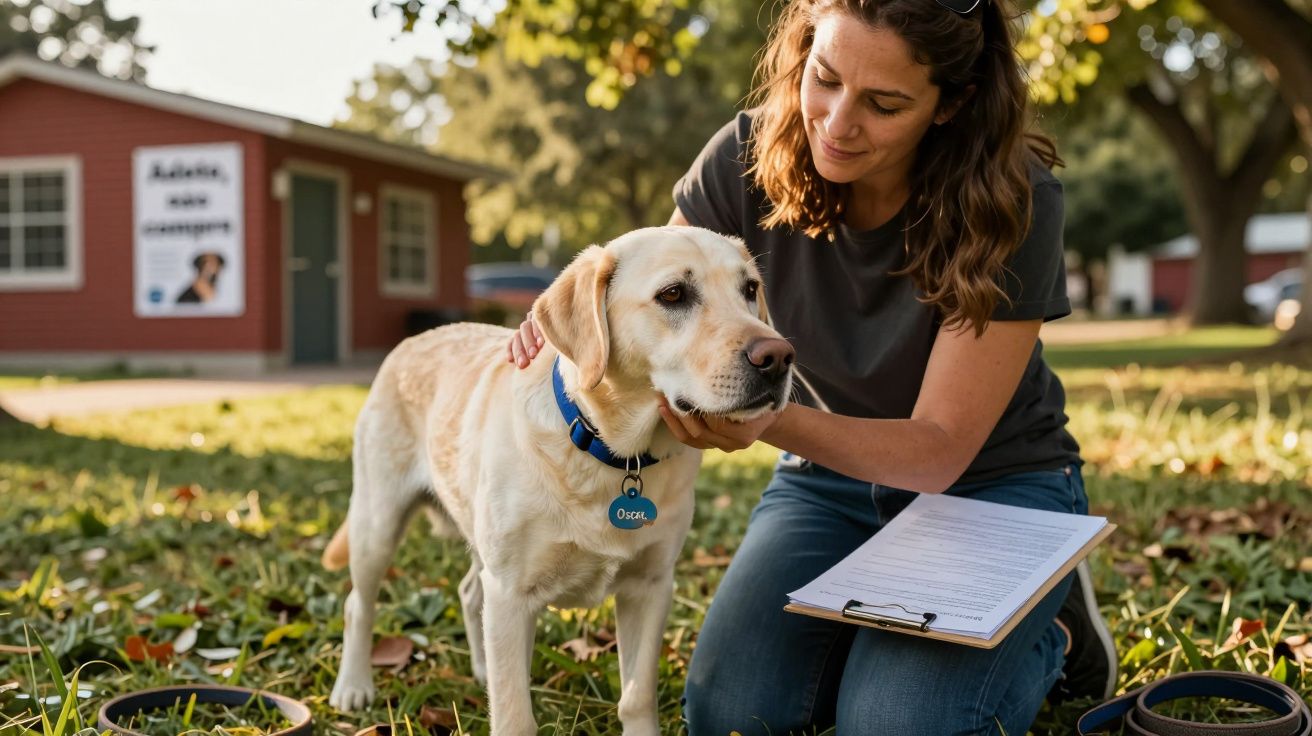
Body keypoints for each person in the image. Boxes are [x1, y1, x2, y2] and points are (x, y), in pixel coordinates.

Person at [508, 0, 1117, 732]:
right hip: (828, 481)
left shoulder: (1015, 196)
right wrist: (566, 317)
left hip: (990, 483)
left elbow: (939, 450)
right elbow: (652, 292)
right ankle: (890, 631)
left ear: (950, 104)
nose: (836, 121)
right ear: (804, 49)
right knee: (731, 713)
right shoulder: (744, 156)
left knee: (893, 724)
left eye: (884, 104)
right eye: (824, 78)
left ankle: (1052, 631)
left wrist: (764, 417)